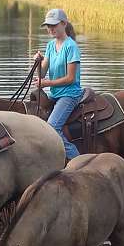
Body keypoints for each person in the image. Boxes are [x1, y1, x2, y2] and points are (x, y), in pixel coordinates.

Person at [34, 8, 83, 161]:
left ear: (64, 24)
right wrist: (37, 63)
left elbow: (70, 78)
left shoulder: (71, 46)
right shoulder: (50, 46)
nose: (50, 29)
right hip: (55, 94)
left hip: (69, 94)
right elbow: (42, 75)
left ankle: (78, 161)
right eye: (48, 26)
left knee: (52, 127)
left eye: (54, 25)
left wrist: (47, 83)